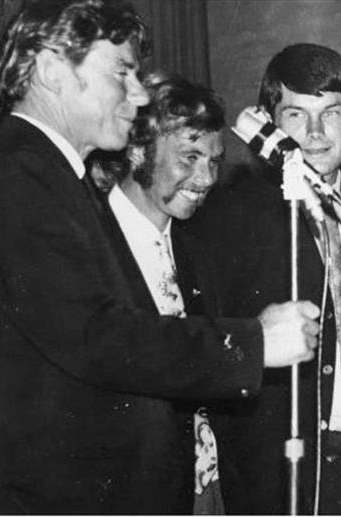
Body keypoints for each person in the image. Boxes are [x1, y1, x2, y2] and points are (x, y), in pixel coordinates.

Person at [0, 2, 318, 514]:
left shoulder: (51, 178)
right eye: (121, 73)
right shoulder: (23, 176)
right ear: (49, 70)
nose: (138, 95)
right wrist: (252, 343)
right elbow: (97, 337)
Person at [188, 43, 341, 514]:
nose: (316, 133)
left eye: (332, 113)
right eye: (297, 115)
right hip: (284, 474)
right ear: (267, 120)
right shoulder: (229, 214)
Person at [94, 73, 231, 514]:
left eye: (214, 161)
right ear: (138, 151)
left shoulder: (200, 248)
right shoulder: (89, 241)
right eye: (190, 157)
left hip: (204, 489)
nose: (206, 177)